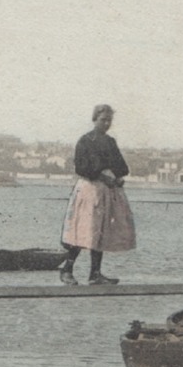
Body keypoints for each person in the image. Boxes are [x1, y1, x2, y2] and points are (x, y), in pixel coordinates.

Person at [58, 103, 136, 284]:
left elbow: (123, 167)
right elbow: (81, 167)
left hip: (106, 191)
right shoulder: (85, 140)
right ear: (95, 119)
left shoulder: (110, 142)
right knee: (84, 230)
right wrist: (101, 175)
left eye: (109, 120)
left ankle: (95, 274)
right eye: (103, 120)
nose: (106, 123)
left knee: (100, 231)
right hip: (89, 189)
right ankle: (67, 270)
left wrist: (116, 177)